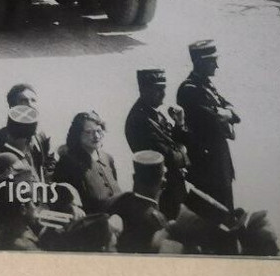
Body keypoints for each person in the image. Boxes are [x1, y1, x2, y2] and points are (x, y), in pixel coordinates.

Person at [176, 39, 240, 209]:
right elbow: (213, 119)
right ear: (199, 62)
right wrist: (227, 113)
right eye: (212, 61)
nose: (216, 66)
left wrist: (227, 112)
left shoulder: (205, 84)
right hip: (207, 161)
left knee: (226, 204)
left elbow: (230, 109)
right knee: (214, 209)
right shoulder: (189, 89)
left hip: (218, 156)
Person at [123, 67, 189, 218]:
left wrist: (179, 123)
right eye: (158, 89)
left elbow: (173, 143)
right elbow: (170, 158)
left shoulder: (153, 113)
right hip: (159, 192)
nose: (164, 94)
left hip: (171, 186)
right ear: (144, 90)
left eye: (164, 88)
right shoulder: (140, 121)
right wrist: (183, 154)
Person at [52, 110, 121, 213]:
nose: (96, 136)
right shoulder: (67, 163)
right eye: (89, 132)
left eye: (99, 131)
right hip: (90, 224)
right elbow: (59, 201)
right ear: (77, 134)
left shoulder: (108, 158)